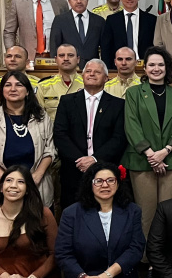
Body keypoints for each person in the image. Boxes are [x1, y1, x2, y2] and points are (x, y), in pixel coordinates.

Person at [123, 47, 172, 278]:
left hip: (170, 161)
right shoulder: (134, 94)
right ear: (145, 68)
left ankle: (163, 263)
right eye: (151, 65)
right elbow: (131, 125)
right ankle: (149, 263)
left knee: (169, 215)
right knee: (147, 215)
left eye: (160, 65)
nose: (156, 69)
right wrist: (151, 154)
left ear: (167, 68)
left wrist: (165, 152)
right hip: (142, 162)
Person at [56, 162, 144, 278]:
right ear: (90, 184)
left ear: (118, 183)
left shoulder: (132, 211)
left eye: (110, 180)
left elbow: (136, 248)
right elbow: (63, 254)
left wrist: (108, 274)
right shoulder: (71, 214)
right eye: (99, 181)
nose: (105, 185)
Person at [53, 59, 126, 210]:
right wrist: (81, 161)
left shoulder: (118, 104)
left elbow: (119, 138)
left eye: (97, 72)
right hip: (73, 169)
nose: (92, 74)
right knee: (73, 214)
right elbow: (60, 134)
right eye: (88, 71)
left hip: (105, 168)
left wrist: (94, 159)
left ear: (106, 78)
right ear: (83, 75)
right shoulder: (67, 101)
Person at [0, 71, 55, 208]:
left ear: (27, 92)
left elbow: (50, 149)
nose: (13, 89)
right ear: (2, 91)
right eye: (8, 85)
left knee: (35, 227)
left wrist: (37, 175)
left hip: (36, 184)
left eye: (19, 85)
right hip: (0, 185)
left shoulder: (41, 117)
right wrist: (9, 181)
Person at [3, 0, 68, 60]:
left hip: (55, 58)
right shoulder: (18, 3)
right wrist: (12, 54)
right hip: (27, 59)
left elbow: (67, 33)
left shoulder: (61, 4)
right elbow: (9, 32)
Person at [100, 0, 156, 68]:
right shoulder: (112, 20)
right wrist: (109, 70)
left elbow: (155, 46)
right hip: (120, 68)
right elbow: (106, 48)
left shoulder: (151, 20)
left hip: (146, 67)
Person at [49, 0, 104, 68]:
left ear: (87, 0)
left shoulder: (99, 21)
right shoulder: (60, 20)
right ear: (69, 1)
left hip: (93, 69)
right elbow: (54, 47)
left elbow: (105, 48)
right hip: (68, 68)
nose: (79, 1)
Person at [36, 44, 83, 124]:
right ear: (56, 59)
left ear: (78, 59)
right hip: (52, 134)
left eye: (70, 55)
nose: (66, 59)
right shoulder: (43, 86)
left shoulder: (87, 84)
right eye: (61, 55)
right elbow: (38, 117)